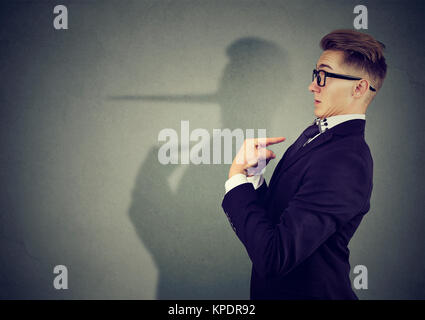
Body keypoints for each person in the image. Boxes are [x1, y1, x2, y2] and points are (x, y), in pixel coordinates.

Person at [221, 29, 387, 299]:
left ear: (359, 87)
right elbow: (282, 221)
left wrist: (236, 181)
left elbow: (274, 257)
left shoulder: (345, 161)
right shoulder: (319, 135)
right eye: (315, 75)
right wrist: (253, 179)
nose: (313, 86)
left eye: (324, 76)